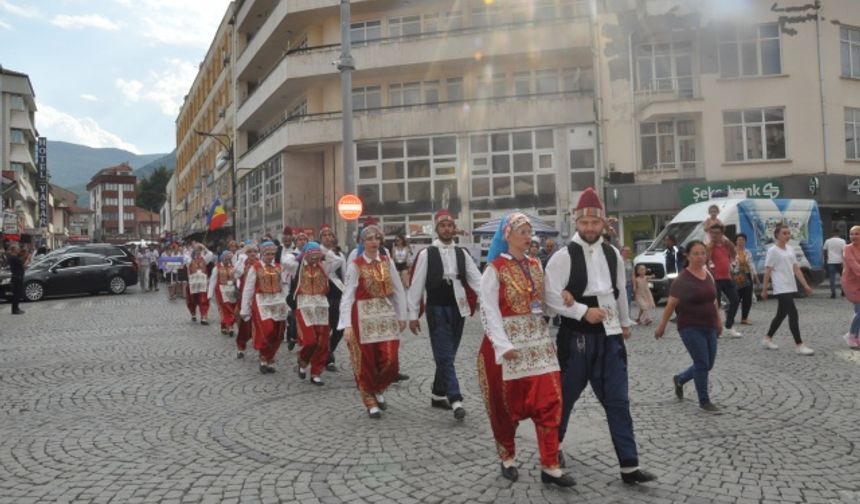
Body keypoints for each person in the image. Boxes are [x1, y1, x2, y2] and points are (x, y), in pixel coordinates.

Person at [544, 187, 656, 485]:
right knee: (564, 398)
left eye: (595, 223)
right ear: (576, 223)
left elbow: (620, 291)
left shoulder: (613, 254)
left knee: (618, 399)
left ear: (603, 223)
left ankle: (629, 466)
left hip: (609, 337)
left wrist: (624, 322)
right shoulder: (562, 257)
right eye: (585, 223)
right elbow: (550, 299)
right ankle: (551, 454)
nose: (590, 228)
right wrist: (582, 311)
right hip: (576, 337)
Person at [477, 212, 575, 487]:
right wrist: (502, 344)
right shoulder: (494, 269)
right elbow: (488, 309)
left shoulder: (535, 265)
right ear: (506, 235)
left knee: (549, 399)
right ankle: (507, 456)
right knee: (507, 406)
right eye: (521, 230)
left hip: (537, 341)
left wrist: (567, 300)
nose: (527, 234)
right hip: (508, 344)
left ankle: (550, 465)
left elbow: (545, 300)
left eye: (529, 230)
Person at [407, 209, 481, 419]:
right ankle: (455, 398)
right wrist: (413, 314)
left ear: (454, 228)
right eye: (443, 226)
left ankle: (438, 394)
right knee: (444, 353)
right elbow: (416, 285)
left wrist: (492, 303)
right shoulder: (426, 254)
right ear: (437, 228)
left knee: (450, 352)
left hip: (458, 306)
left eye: (450, 225)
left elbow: (478, 280)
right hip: (436, 307)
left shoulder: (462, 253)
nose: (447, 229)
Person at [338, 223, 407, 418]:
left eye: (376, 238)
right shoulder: (356, 265)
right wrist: (347, 325)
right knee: (366, 360)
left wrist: (402, 315)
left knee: (390, 359)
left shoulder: (387, 261)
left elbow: (398, 289)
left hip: (385, 313)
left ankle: (378, 388)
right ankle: (369, 398)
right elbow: (348, 295)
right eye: (369, 239)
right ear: (362, 242)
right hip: (362, 316)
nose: (374, 242)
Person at [654, 241, 722, 412]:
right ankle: (704, 401)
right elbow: (670, 305)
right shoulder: (682, 280)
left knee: (708, 364)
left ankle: (680, 379)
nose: (700, 257)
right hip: (690, 327)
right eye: (696, 254)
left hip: (709, 325)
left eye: (703, 253)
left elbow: (714, 300)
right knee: (701, 362)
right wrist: (662, 325)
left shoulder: (708, 274)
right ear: (688, 256)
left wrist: (719, 321)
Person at [289, 241, 344, 385]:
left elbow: (338, 260)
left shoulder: (324, 266)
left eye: (316, 255)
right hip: (304, 306)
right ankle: (302, 360)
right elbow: (285, 261)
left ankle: (315, 372)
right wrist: (300, 256)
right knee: (310, 340)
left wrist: (324, 252)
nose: (314, 257)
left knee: (322, 343)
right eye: (311, 255)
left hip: (321, 307)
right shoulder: (297, 267)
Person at [761, 223, 815, 355]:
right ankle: (799, 345)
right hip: (780, 286)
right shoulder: (772, 250)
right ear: (777, 235)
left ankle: (767, 338)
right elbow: (768, 270)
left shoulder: (790, 249)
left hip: (790, 285)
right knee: (793, 313)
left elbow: (796, 268)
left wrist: (805, 285)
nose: (787, 236)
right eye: (784, 233)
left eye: (788, 233)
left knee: (781, 314)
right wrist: (764, 289)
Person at [240, 241, 291, 373]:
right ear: (262, 254)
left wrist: (287, 303)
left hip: (278, 302)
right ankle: (263, 358)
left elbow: (284, 286)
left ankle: (269, 358)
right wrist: (245, 308)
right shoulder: (255, 268)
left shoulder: (279, 267)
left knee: (278, 332)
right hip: (261, 302)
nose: (270, 256)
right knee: (266, 329)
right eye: (267, 254)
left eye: (272, 254)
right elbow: (248, 289)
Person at [319, 224, 347, 372]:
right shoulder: (317, 253)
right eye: (325, 235)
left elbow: (345, 271)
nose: (328, 237)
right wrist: (329, 255)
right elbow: (326, 270)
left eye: (330, 235)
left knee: (339, 327)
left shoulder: (340, 254)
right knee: (325, 326)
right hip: (323, 292)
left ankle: (329, 350)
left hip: (337, 292)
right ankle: (326, 356)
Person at [707, 224, 742, 338]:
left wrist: (730, 245)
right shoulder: (709, 246)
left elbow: (733, 254)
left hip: (727, 277)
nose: (714, 235)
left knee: (735, 300)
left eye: (717, 233)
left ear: (722, 234)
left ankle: (729, 325)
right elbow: (706, 260)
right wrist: (710, 248)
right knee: (715, 305)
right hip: (714, 279)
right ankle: (715, 328)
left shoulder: (726, 245)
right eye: (712, 233)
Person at [234, 244, 259, 359]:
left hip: (259, 298)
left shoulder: (261, 264)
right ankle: (241, 346)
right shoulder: (242, 265)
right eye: (250, 252)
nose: (252, 254)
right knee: (245, 324)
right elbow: (235, 274)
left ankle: (262, 349)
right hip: (246, 297)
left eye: (254, 251)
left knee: (261, 324)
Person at [208, 250, 239, 337]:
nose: (228, 261)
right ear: (222, 258)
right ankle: (230, 327)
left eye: (229, 259)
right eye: (226, 259)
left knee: (232, 309)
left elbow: (237, 279)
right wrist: (209, 294)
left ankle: (224, 326)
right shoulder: (216, 268)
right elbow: (212, 281)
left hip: (232, 291)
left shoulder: (233, 267)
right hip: (221, 291)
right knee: (225, 308)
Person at [733, 233, 760, 325]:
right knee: (736, 297)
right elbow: (730, 264)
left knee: (747, 298)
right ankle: (731, 317)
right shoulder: (732, 252)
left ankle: (744, 318)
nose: (741, 242)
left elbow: (752, 265)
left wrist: (756, 277)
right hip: (738, 276)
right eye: (739, 240)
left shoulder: (748, 252)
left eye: (743, 240)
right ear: (736, 241)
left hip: (748, 275)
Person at [842, 226, 860, 348]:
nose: (853, 236)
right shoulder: (847, 248)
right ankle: (851, 335)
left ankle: (855, 336)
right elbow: (855, 267)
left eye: (856, 234)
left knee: (858, 311)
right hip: (850, 283)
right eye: (851, 234)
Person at [185, 245, 212, 325]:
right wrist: (191, 250)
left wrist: (203, 246)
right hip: (192, 284)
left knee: (203, 300)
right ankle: (193, 313)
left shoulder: (204, 259)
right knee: (192, 301)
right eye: (196, 250)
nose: (198, 252)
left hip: (202, 283)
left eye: (199, 250)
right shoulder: (189, 259)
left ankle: (203, 317)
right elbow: (185, 257)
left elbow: (210, 254)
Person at [823, 228, 846, 299]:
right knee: (843, 277)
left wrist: (826, 259)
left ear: (832, 233)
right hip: (840, 261)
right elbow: (844, 252)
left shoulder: (828, 241)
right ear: (839, 233)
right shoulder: (842, 241)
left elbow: (825, 251)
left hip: (831, 261)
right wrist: (844, 261)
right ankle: (843, 292)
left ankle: (833, 293)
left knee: (832, 278)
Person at [6, 244, 25, 315]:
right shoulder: (14, 258)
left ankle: (16, 308)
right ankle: (15, 310)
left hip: (17, 276)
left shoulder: (13, 257)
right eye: (17, 249)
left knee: (17, 294)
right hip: (17, 277)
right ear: (14, 250)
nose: (19, 250)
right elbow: (20, 266)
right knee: (16, 294)